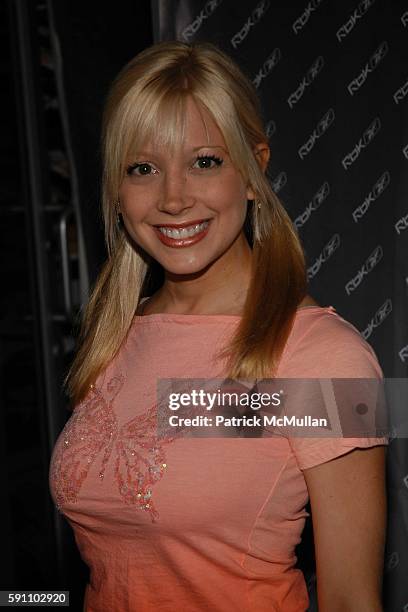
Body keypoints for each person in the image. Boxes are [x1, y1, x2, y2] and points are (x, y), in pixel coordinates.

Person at [49, 41, 388, 611]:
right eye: (143, 168)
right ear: (116, 187)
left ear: (253, 172)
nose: (174, 198)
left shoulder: (325, 357)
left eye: (205, 162)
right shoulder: (113, 339)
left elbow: (353, 600)